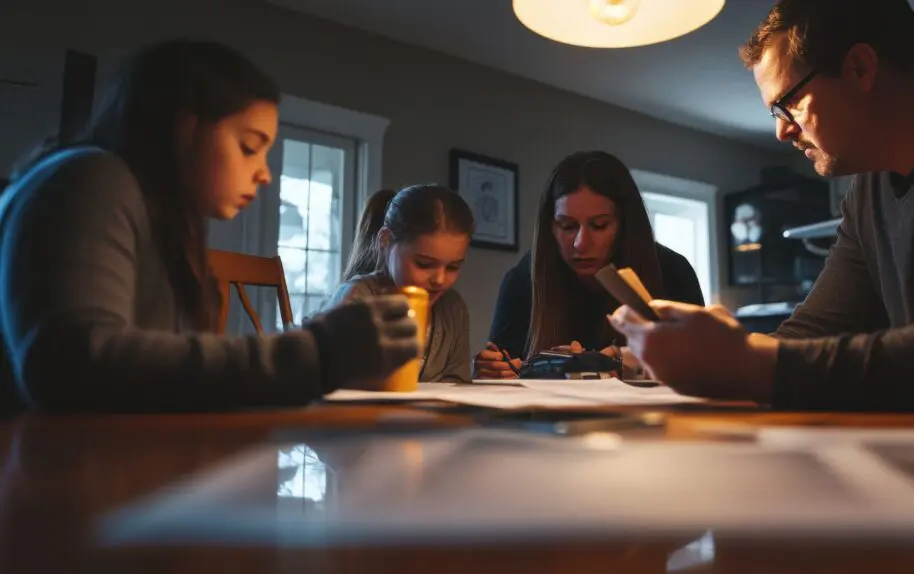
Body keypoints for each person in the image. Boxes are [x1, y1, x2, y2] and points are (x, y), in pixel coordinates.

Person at [610, 0, 914, 414]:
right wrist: (714, 352)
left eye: (787, 103)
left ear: (860, 68)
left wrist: (752, 365)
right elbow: (814, 331)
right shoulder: (868, 193)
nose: (781, 130)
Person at [0, 39, 418, 414]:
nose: (265, 174)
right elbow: (68, 364)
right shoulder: (89, 176)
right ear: (185, 127)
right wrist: (315, 354)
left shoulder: (162, 228)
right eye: (249, 147)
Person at [475, 150, 705, 379]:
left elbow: (703, 370)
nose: (581, 243)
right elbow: (500, 369)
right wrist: (489, 370)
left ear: (625, 225)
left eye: (600, 225)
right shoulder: (523, 279)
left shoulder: (673, 271)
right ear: (550, 227)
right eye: (567, 226)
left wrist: (627, 359)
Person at [323, 185, 474, 383]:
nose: (440, 279)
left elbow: (458, 382)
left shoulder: (453, 309)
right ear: (386, 240)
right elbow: (331, 381)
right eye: (424, 264)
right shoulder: (357, 299)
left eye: (453, 267)